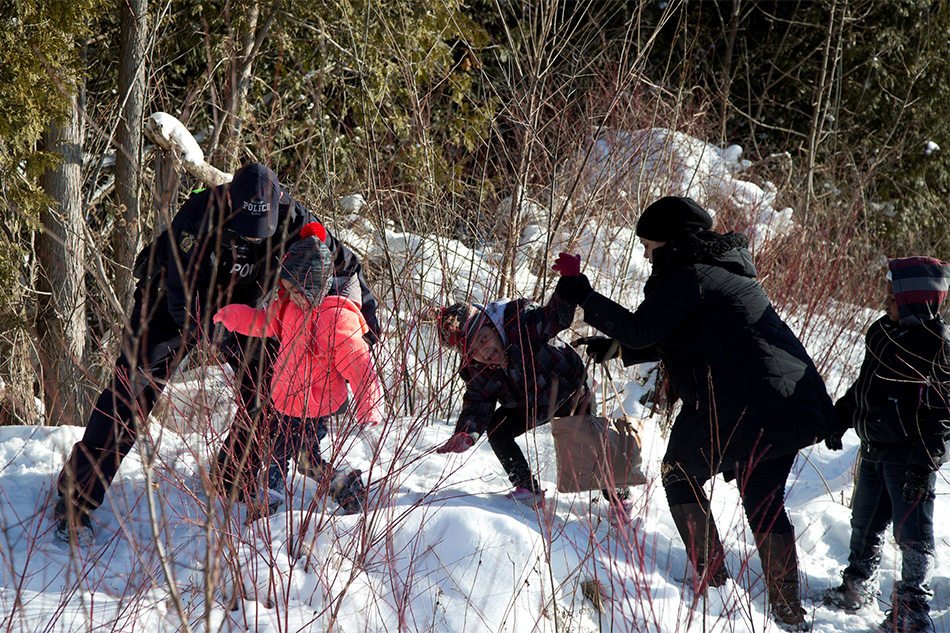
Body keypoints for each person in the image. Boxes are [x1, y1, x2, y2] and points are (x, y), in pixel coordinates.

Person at [54, 163, 380, 543]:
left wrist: (364, 331)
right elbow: (181, 302)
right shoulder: (197, 216)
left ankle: (233, 475)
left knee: (270, 388)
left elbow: (345, 267)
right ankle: (76, 499)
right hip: (170, 304)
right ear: (229, 201)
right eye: (247, 232)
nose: (255, 240)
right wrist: (216, 332)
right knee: (130, 393)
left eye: (264, 233)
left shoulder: (295, 218)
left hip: (245, 308)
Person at [552, 196, 835, 630]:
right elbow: (693, 330)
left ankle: (714, 582)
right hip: (782, 400)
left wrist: (583, 294)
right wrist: (620, 346)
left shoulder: (687, 274)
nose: (646, 255)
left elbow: (648, 326)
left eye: (648, 246)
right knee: (762, 499)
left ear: (669, 241)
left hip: (741, 400)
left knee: (679, 473)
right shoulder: (720, 269)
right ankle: (786, 610)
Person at [213, 222, 384, 514]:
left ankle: (285, 501)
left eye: (297, 290)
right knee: (293, 457)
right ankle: (318, 490)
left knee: (290, 458)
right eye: (288, 289)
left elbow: (360, 363)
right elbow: (263, 323)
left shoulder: (335, 319)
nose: (291, 296)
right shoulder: (291, 308)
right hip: (287, 399)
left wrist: (370, 407)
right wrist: (232, 316)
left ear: (315, 285)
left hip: (314, 404)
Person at [823, 257, 950, 633]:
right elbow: (864, 387)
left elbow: (940, 416)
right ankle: (856, 585)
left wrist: (922, 465)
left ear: (916, 301)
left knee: (912, 534)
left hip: (908, 456)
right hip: (874, 448)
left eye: (893, 299)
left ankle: (913, 607)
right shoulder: (882, 333)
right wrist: (842, 417)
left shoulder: (938, 346)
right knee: (864, 521)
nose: (885, 304)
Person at [433, 295, 630, 513]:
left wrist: (569, 285)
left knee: (588, 451)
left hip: (571, 392)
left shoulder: (521, 322)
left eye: (482, 339)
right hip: (529, 404)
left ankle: (620, 500)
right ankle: (527, 488)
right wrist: (466, 432)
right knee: (498, 429)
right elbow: (479, 402)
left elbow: (556, 317)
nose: (484, 352)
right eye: (473, 352)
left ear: (492, 324)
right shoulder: (476, 368)